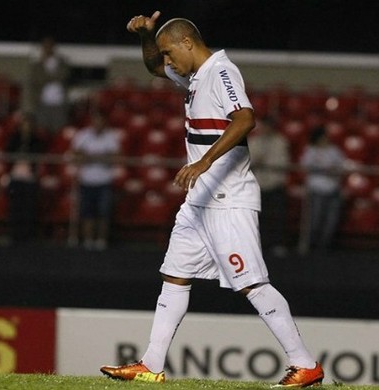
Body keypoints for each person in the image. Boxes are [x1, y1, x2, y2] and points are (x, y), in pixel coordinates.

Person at [100, 11, 324, 387]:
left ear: (188, 42)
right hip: (199, 201)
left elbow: (245, 119)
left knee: (252, 284)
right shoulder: (194, 75)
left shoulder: (221, 72)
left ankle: (306, 365)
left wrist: (204, 161)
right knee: (174, 276)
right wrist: (148, 36)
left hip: (228, 198)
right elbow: (155, 69)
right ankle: (151, 364)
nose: (168, 61)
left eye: (170, 52)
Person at [70, 111, 120, 251]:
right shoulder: (83, 135)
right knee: (87, 212)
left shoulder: (110, 136)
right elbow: (75, 154)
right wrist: (100, 157)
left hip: (104, 180)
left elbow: (115, 156)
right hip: (86, 180)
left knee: (103, 212)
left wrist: (90, 157)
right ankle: (88, 241)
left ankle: (101, 241)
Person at [248, 117, 291, 257]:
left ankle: (276, 244)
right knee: (256, 216)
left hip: (275, 184)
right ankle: (255, 244)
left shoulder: (280, 142)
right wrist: (257, 160)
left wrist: (265, 162)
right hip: (258, 184)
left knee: (276, 216)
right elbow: (248, 160)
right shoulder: (254, 141)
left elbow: (283, 162)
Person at [300, 126, 346, 253]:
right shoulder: (310, 150)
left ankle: (325, 246)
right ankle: (311, 246)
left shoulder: (334, 151)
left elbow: (342, 166)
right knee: (315, 219)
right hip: (316, 189)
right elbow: (304, 166)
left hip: (333, 189)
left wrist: (333, 170)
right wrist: (323, 169)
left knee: (331, 221)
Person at [5, 112, 47, 243]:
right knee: (16, 207)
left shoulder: (37, 141)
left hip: (30, 178)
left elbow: (40, 156)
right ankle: (15, 235)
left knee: (29, 207)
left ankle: (28, 236)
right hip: (16, 177)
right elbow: (7, 154)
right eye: (24, 124)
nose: (26, 127)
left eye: (29, 124)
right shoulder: (14, 139)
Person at [30, 36, 71, 134]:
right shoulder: (38, 64)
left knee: (58, 131)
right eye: (45, 46)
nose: (47, 48)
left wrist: (47, 77)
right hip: (43, 102)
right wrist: (53, 76)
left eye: (50, 46)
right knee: (42, 131)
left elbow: (64, 76)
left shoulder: (62, 62)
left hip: (59, 102)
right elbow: (37, 80)